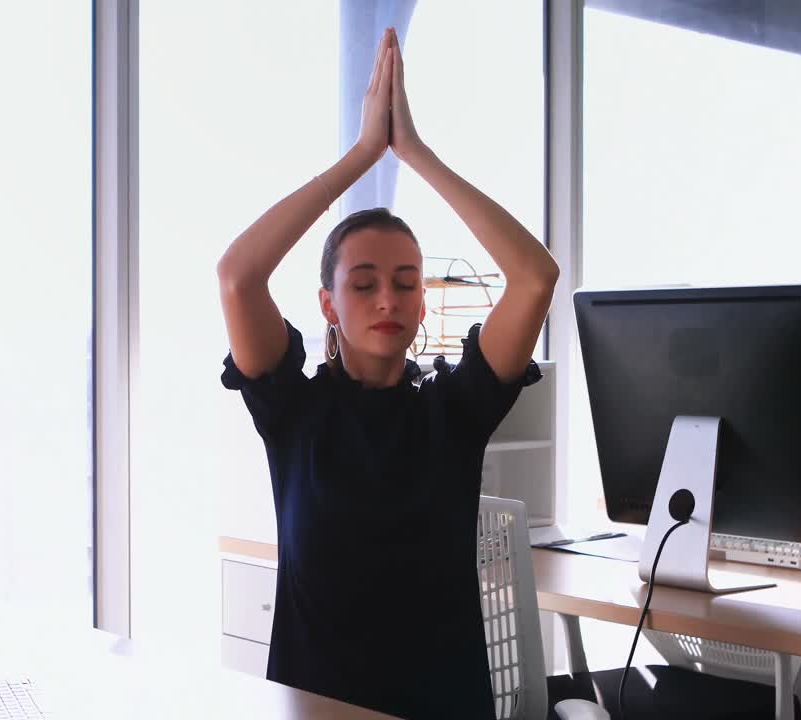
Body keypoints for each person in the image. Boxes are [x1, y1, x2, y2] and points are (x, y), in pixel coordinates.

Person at [217, 27, 559, 719]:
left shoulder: (454, 411)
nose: (387, 300)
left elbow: (534, 277)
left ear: (422, 303)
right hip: (316, 708)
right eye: (364, 283)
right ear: (328, 304)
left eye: (406, 283)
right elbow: (237, 275)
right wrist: (363, 155)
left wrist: (416, 153)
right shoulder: (293, 410)